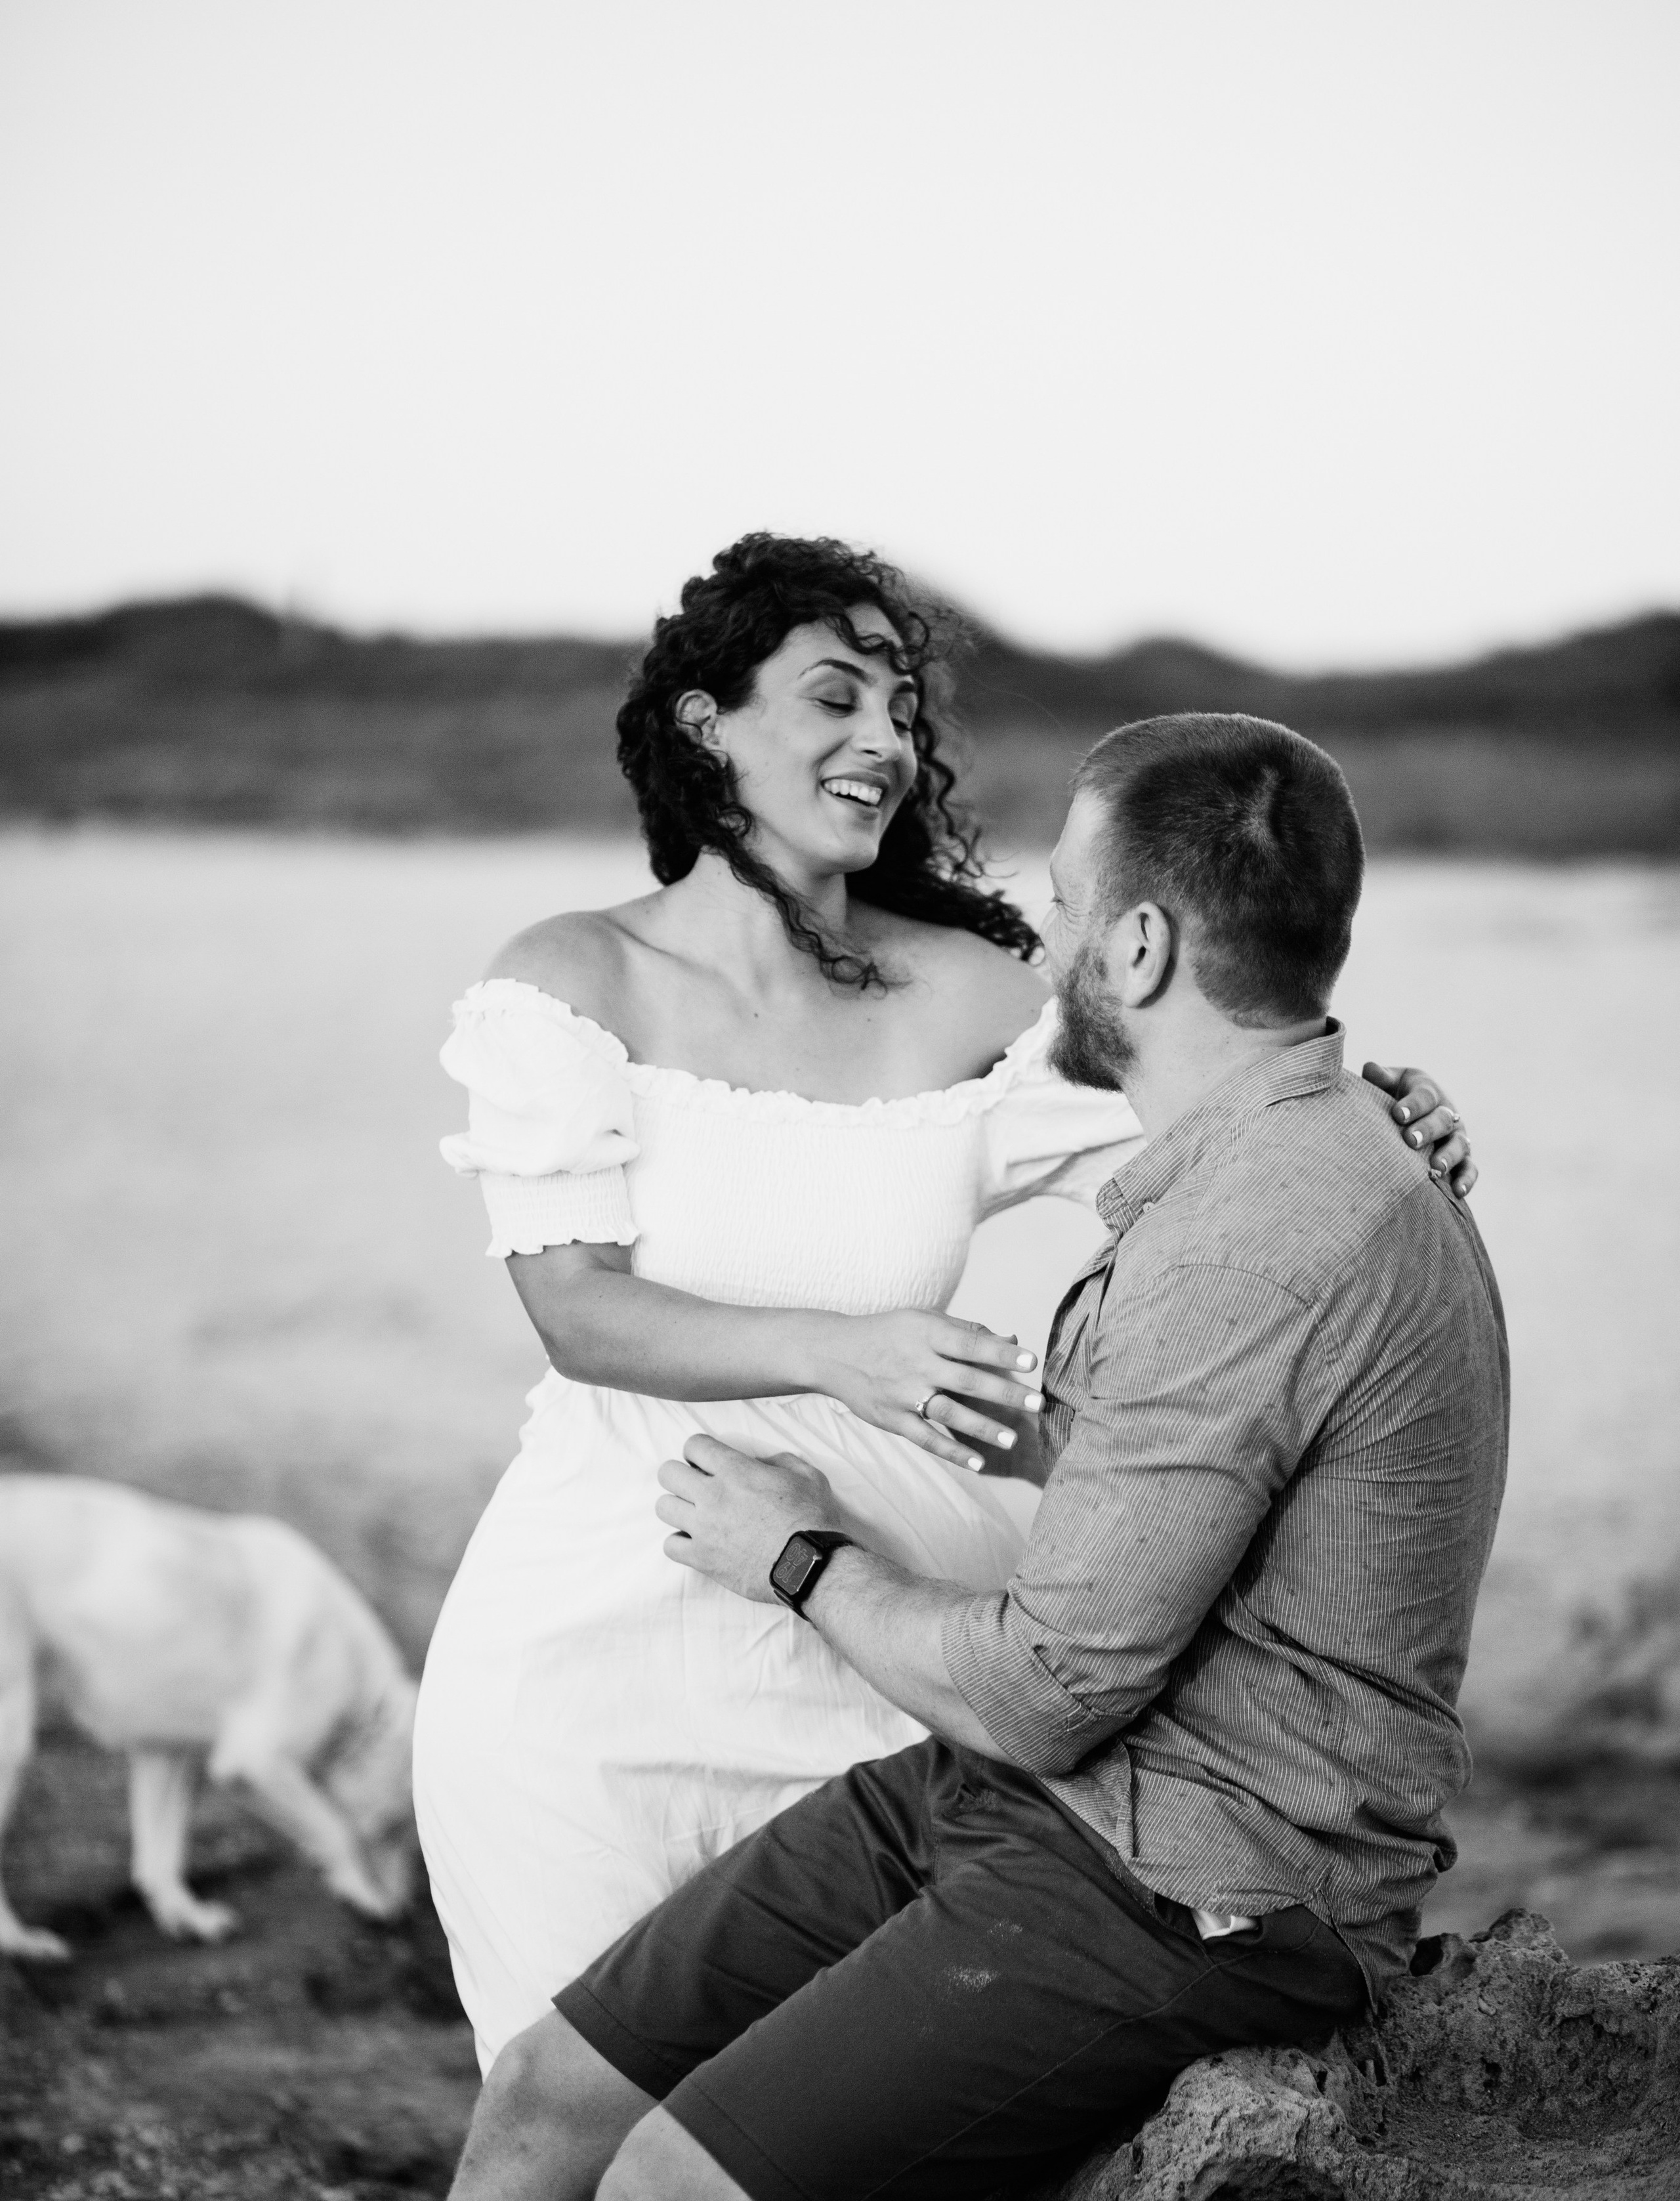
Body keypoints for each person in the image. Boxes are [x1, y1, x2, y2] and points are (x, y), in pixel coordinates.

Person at [295, 710, 1508, 2201]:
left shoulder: (1265, 1227)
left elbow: (1039, 1691)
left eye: (1064, 900)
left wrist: (800, 1557)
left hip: (1200, 1878)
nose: (1036, 929)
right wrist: (1007, 1427)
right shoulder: (1258, 1165)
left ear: (1138, 948)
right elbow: (1171, 1490)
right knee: (552, 2096)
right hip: (1046, 1800)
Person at [416, 534, 1473, 2071]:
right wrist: (841, 1353)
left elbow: (1216, 1102)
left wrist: (1371, 1114)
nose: (882, 742)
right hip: (600, 1612)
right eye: (832, 698)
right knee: (560, 2091)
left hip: (874, 1624)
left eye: (899, 711)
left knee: (812, 2113)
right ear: (707, 724)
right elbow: (576, 1313)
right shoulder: (573, 980)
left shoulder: (975, 989)